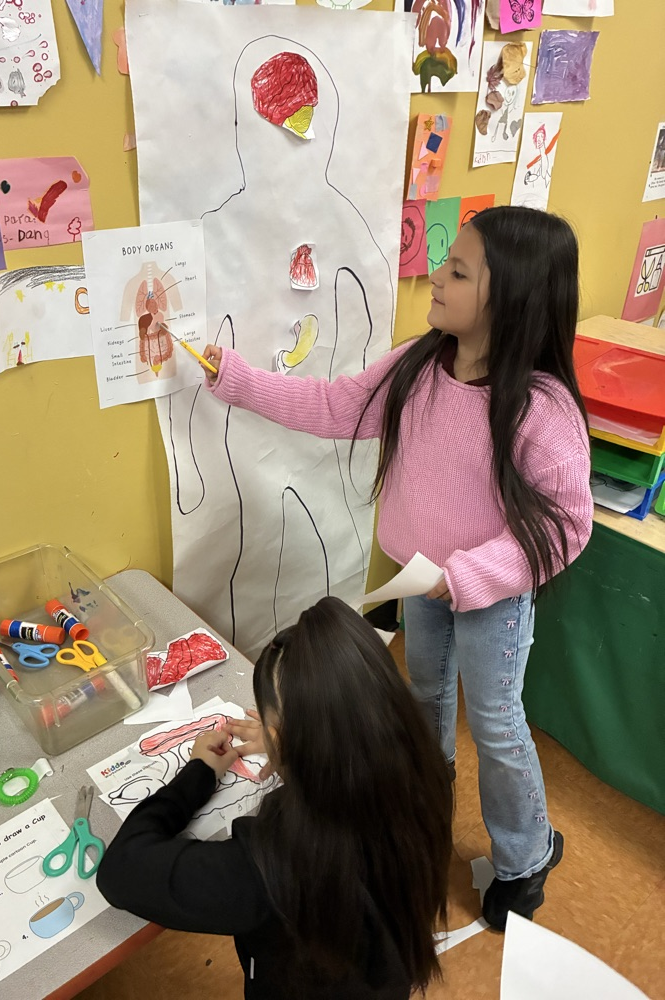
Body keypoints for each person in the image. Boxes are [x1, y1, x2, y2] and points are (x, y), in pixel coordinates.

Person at [198, 206, 594, 931]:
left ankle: (526, 857)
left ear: (508, 297)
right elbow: (329, 405)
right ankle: (421, 812)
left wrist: (472, 575)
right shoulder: (419, 364)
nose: (435, 278)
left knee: (498, 725)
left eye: (458, 270)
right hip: (423, 583)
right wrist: (233, 378)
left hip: (491, 595)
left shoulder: (542, 409)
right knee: (420, 702)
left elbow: (568, 527)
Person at [97, 597, 453, 999]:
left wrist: (197, 776)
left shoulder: (271, 867)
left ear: (283, 738)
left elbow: (120, 871)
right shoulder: (425, 776)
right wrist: (292, 750)